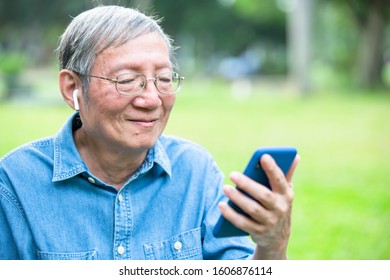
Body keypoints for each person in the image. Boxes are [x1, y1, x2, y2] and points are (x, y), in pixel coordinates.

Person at [0, 5, 299, 260]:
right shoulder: (15, 182)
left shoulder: (195, 170)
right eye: (127, 80)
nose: (152, 99)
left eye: (165, 78)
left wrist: (272, 246)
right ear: (72, 88)